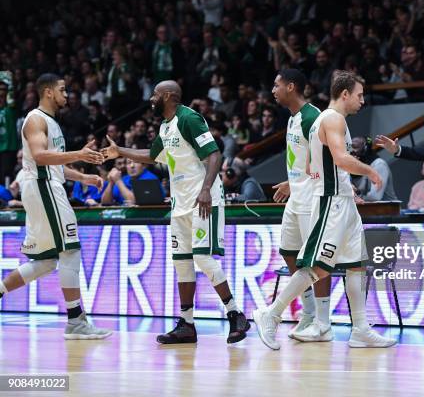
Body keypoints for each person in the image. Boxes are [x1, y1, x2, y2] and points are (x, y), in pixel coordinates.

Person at [252, 71, 397, 350]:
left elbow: (309, 165)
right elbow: (342, 159)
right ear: (344, 94)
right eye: (359, 95)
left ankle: (361, 329)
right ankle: (271, 314)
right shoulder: (332, 118)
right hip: (331, 201)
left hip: (342, 199)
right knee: (316, 266)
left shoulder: (317, 119)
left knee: (356, 264)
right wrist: (369, 171)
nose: (362, 101)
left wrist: (344, 185)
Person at [102, 80, 250, 344]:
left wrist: (205, 189)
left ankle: (235, 314)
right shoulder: (165, 125)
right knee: (182, 263)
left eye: (156, 94)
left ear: (168, 96)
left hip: (203, 199)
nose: (151, 98)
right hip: (179, 204)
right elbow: (153, 154)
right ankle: (187, 324)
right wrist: (119, 151)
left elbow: (215, 155)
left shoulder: (189, 119)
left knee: (203, 259)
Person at [0, 73, 111, 340]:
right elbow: (40, 157)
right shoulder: (36, 119)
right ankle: (76, 322)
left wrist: (83, 176)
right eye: (62, 90)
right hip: (44, 188)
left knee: (47, 261)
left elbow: (54, 163)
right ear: (48, 92)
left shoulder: (50, 122)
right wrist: (79, 154)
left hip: (44, 187)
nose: (66, 94)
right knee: (70, 251)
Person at [269, 68, 333, 342]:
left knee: (317, 260)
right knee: (289, 253)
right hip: (296, 196)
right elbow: (303, 161)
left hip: (312, 199)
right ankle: (307, 314)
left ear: (291, 87)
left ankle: (322, 321)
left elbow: (323, 160)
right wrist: (290, 182)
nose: (273, 90)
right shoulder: (293, 118)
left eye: (277, 85)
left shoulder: (312, 118)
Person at [351, 136, 398, 202]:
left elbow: (375, 197)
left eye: (355, 148)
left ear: (365, 149)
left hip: (386, 209)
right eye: (350, 148)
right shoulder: (350, 166)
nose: (352, 152)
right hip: (363, 208)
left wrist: (353, 196)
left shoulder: (379, 165)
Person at [0, 81, 18, 185]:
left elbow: (11, 98)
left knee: (6, 173)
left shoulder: (10, 109)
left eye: (2, 96)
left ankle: (6, 195)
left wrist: (9, 81)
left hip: (9, 147)